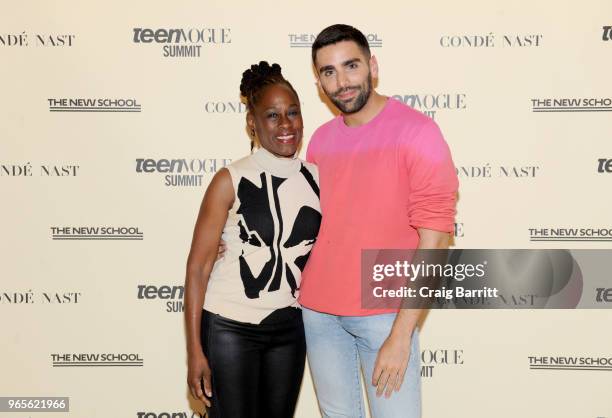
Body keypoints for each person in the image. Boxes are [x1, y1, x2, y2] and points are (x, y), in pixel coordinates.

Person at [298, 24, 459, 418]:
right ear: (319, 82)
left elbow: (435, 241)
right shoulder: (320, 140)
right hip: (318, 310)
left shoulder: (418, 132)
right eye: (329, 72)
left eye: (351, 66)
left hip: (385, 313)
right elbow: (305, 221)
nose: (342, 81)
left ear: (373, 65)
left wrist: (402, 334)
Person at [183, 61, 321, 418]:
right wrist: (195, 352)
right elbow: (198, 268)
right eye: (272, 115)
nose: (286, 124)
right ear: (252, 123)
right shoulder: (230, 179)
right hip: (229, 327)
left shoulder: (319, 179)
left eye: (293, 112)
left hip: (289, 329)